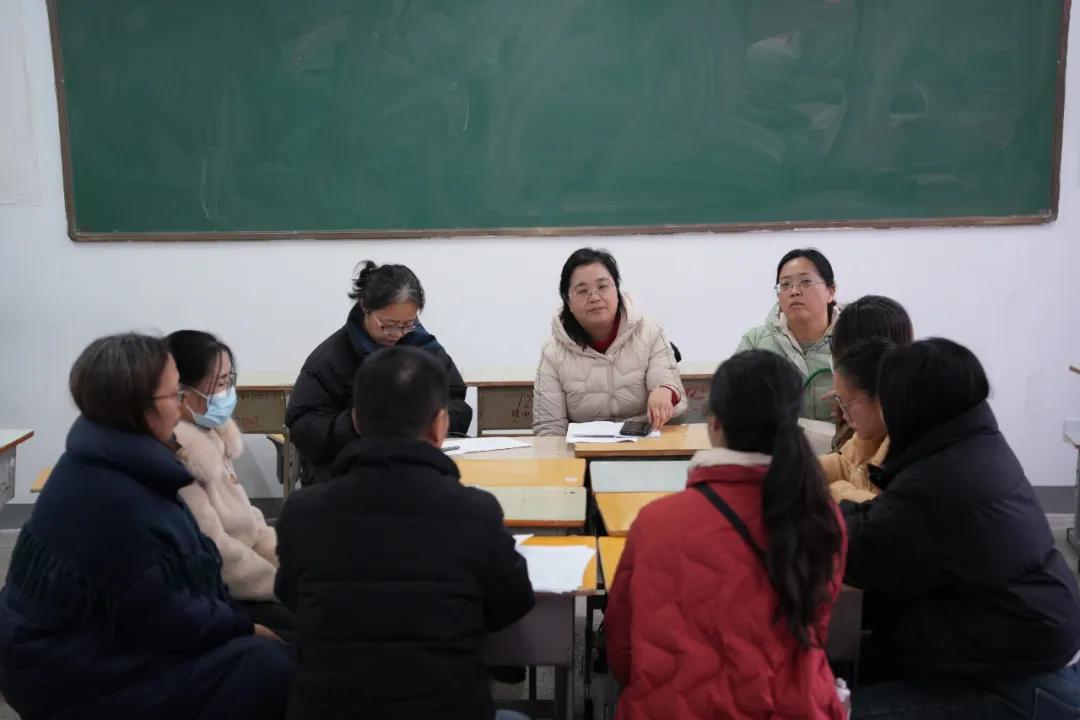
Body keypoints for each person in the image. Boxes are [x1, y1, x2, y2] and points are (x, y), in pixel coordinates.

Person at [0, 334, 290, 720]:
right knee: (268, 665)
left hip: (76, 649)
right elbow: (166, 615)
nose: (181, 405)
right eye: (174, 395)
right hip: (70, 675)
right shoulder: (115, 497)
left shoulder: (110, 458)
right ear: (138, 407)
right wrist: (243, 627)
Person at [275, 346, 535, 720]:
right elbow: (513, 603)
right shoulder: (474, 512)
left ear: (356, 421)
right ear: (440, 425)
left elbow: (291, 598)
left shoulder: (302, 513)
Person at [605, 349, 848, 720]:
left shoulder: (656, 522)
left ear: (714, 424)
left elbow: (622, 653)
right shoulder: (820, 516)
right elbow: (815, 630)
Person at [844, 339, 1080, 718]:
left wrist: (794, 517)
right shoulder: (970, 445)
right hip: (1019, 646)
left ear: (911, 404)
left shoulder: (944, 477)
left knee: (829, 710)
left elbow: (863, 550)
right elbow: (887, 520)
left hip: (1024, 680)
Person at [286, 261, 472, 484]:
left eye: (407, 324)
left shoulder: (426, 349)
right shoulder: (330, 359)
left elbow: (458, 404)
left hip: (419, 470)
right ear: (365, 307)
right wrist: (361, 421)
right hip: (349, 475)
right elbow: (303, 426)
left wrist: (426, 418)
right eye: (388, 325)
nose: (397, 334)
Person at [168, 330, 294, 640]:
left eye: (228, 381)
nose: (227, 394)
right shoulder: (180, 454)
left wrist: (290, 569)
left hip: (249, 572)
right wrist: (280, 585)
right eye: (219, 384)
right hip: (225, 589)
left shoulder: (211, 434)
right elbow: (217, 552)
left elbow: (251, 521)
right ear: (179, 390)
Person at [533, 248, 687, 436]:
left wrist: (666, 392)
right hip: (583, 450)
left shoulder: (650, 333)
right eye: (582, 291)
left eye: (603, 286)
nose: (594, 298)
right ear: (568, 301)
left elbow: (678, 407)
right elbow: (549, 429)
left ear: (617, 290)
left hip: (643, 444)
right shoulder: (553, 352)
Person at [819, 296, 914, 502]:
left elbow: (879, 510)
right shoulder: (876, 411)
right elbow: (848, 461)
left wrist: (833, 490)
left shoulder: (910, 433)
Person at [736, 248, 840, 421]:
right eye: (785, 284)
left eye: (806, 282)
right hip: (775, 437)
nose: (794, 291)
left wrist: (854, 400)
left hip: (845, 437)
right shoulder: (755, 342)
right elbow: (732, 399)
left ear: (831, 291)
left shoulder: (856, 338)